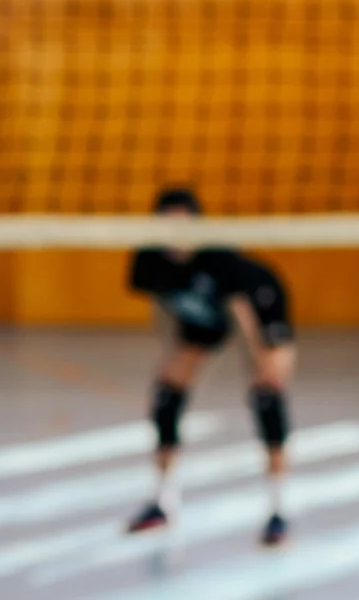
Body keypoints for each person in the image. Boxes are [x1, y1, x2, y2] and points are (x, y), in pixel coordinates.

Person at [124, 185, 300, 547]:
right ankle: (163, 502)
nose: (175, 235)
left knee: (267, 395)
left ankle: (278, 511)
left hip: (259, 302)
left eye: (184, 226)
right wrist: (171, 355)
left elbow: (243, 313)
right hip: (203, 311)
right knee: (166, 393)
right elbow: (163, 304)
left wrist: (260, 367)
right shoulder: (148, 260)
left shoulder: (220, 259)